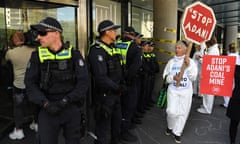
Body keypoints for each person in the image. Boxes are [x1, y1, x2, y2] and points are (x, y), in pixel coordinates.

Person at [24, 17, 89, 144]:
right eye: (38, 34)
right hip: (47, 108)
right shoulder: (37, 55)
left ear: (56, 33)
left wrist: (65, 101)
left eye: (43, 33)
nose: (38, 37)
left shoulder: (74, 55)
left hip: (70, 107)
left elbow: (83, 82)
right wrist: (45, 104)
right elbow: (30, 83)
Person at [88, 20, 124, 144]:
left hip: (115, 94)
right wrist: (118, 88)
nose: (116, 33)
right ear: (107, 32)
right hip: (104, 97)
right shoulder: (96, 50)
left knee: (116, 124)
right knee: (103, 130)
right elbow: (101, 78)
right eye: (113, 30)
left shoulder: (112, 48)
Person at [163, 40, 197, 143]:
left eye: (179, 48)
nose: (176, 50)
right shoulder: (171, 62)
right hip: (173, 90)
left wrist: (189, 66)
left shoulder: (190, 62)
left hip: (186, 92)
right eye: (176, 48)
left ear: (185, 49)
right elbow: (164, 77)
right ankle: (170, 126)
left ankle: (177, 132)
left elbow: (193, 77)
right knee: (171, 111)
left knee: (183, 112)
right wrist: (172, 77)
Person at [4, 31, 37, 140]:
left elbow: (4, 63)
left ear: (14, 40)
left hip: (19, 85)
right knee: (34, 105)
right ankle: (35, 124)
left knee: (18, 108)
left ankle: (19, 131)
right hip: (32, 84)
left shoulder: (11, 53)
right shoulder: (33, 50)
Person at [115, 26, 142, 142]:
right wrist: (127, 81)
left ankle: (117, 130)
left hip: (117, 82)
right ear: (132, 35)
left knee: (119, 108)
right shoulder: (135, 47)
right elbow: (135, 68)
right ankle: (124, 132)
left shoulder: (116, 44)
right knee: (128, 108)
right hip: (129, 83)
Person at [197, 35, 220, 114]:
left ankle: (207, 109)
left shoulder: (213, 50)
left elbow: (207, 62)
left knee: (208, 92)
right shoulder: (213, 49)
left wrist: (200, 59)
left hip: (209, 73)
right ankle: (205, 106)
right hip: (209, 73)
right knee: (207, 91)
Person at [226, 57, 240, 144]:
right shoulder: (236, 66)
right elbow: (222, 74)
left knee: (234, 123)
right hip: (237, 98)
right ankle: (232, 142)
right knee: (234, 123)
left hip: (236, 97)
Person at [221, 43, 238, 108]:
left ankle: (227, 103)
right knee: (233, 88)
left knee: (226, 89)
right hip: (235, 74)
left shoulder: (229, 56)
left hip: (229, 74)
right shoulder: (237, 56)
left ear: (229, 48)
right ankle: (230, 103)